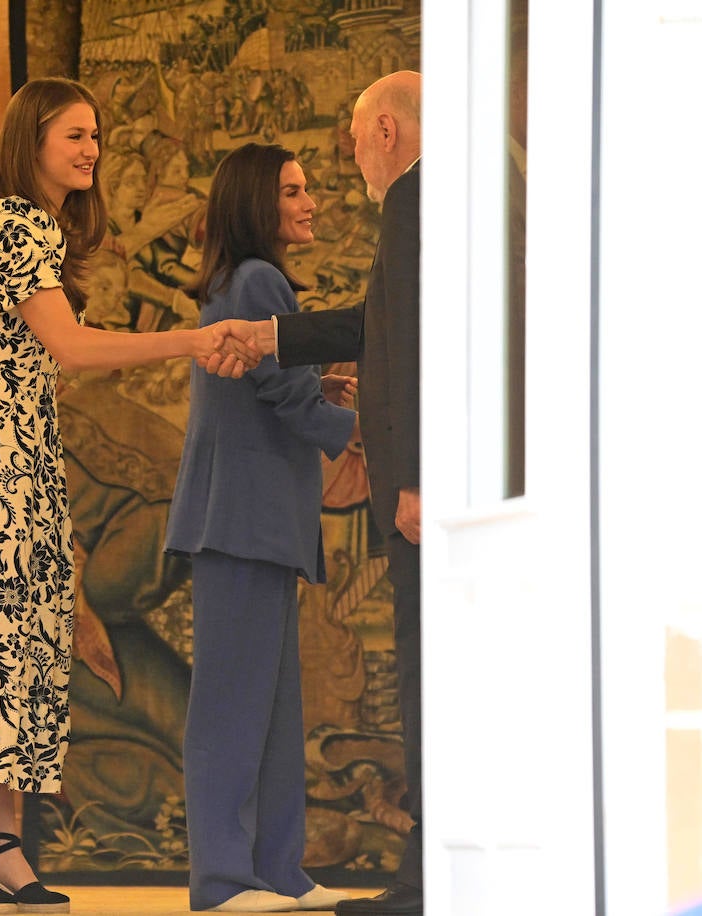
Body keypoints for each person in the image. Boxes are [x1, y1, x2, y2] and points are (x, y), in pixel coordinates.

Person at [0, 77, 237, 915]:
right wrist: (193, 340)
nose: (92, 149)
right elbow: (68, 345)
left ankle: (1, 842)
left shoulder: (33, 227)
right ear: (31, 138)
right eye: (75, 134)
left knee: (28, 637)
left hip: (22, 447)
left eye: (96, 136)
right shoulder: (12, 220)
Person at [212, 70, 425, 916]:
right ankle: (243, 875)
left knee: (407, 678)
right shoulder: (436, 203)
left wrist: (404, 472)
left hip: (384, 494)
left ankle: (403, 881)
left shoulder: (415, 200)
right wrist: (274, 339)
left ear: (384, 132)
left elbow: (400, 344)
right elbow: (375, 332)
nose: (325, 187)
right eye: (294, 188)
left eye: (347, 140)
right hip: (263, 513)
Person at [165, 143, 357, 913]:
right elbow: (286, 390)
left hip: (258, 523)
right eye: (292, 190)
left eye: (307, 189)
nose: (309, 202)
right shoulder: (257, 279)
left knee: (271, 710)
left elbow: (282, 382)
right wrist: (364, 431)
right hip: (241, 521)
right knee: (231, 708)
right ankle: (219, 881)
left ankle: (279, 870)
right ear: (256, 202)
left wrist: (330, 392)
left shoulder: (245, 278)